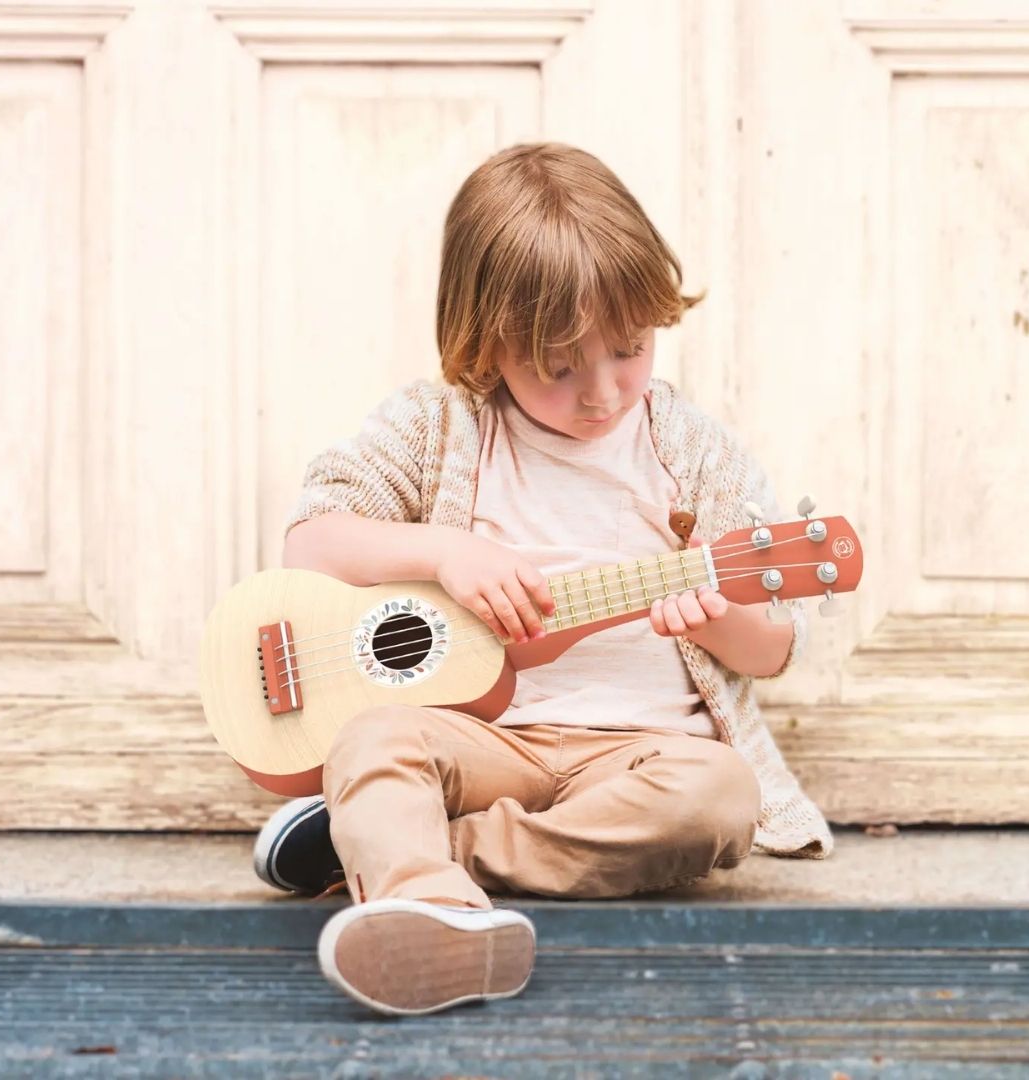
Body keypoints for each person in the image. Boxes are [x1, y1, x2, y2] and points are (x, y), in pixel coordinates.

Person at [272, 142, 833, 1018]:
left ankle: (428, 869)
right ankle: (429, 914)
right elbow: (312, 545)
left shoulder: (692, 454)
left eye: (629, 349)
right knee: (372, 739)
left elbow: (772, 649)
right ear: (486, 343)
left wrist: (713, 618)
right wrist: (442, 555)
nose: (603, 392)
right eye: (559, 367)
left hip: (636, 753)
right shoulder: (440, 427)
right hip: (483, 744)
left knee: (721, 797)